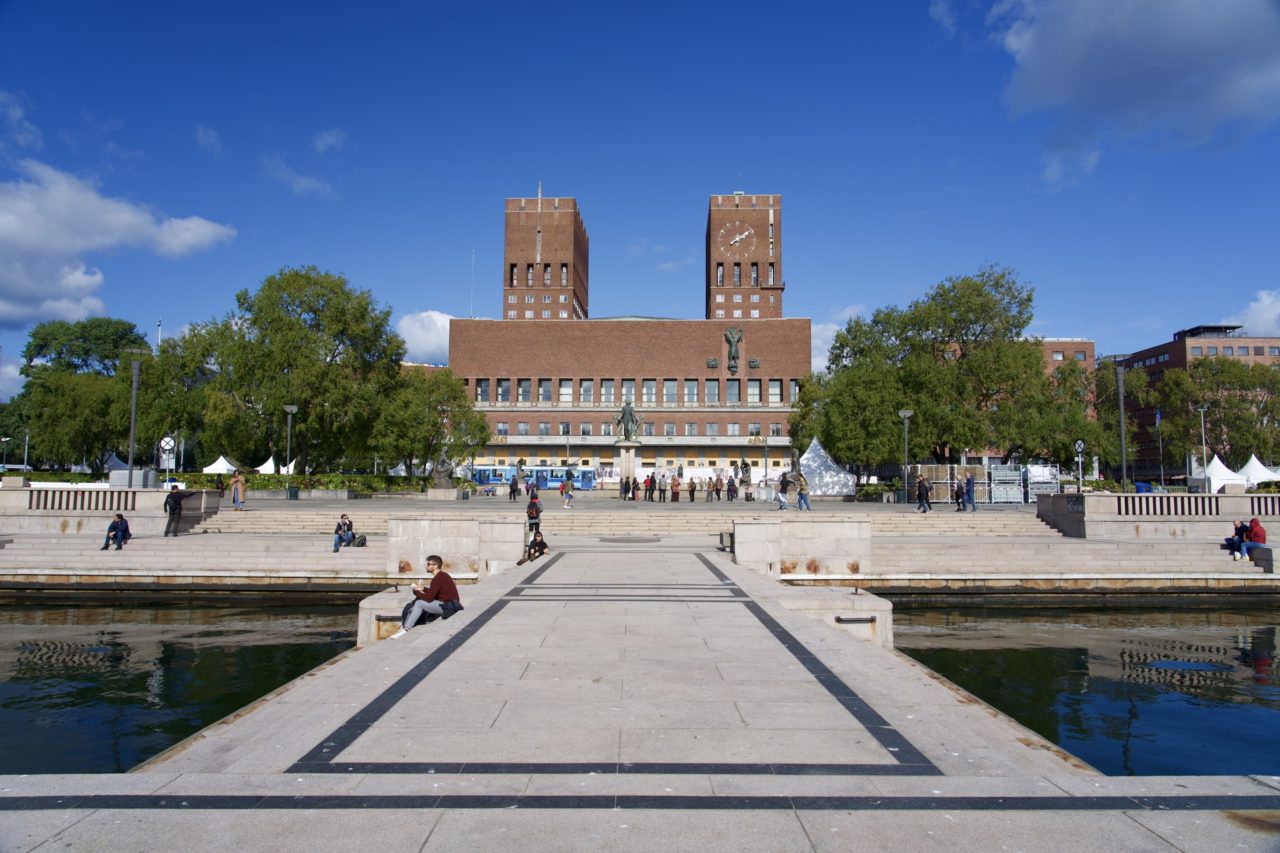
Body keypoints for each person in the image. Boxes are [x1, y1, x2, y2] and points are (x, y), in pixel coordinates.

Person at [389, 555, 463, 638]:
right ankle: (405, 625)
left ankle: (406, 628)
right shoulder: (442, 576)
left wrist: (416, 592)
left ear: (435, 566)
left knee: (419, 603)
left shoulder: (438, 578)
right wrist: (423, 589)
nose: (426, 566)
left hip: (448, 607)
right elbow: (436, 592)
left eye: (428, 564)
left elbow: (429, 598)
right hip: (448, 604)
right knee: (419, 601)